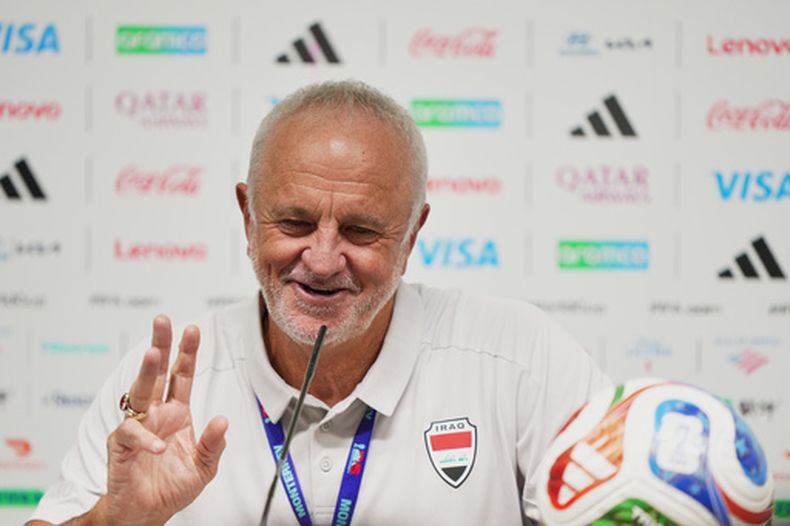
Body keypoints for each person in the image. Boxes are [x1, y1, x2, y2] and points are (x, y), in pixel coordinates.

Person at [27, 80, 609, 526]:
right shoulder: (163, 388)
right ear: (248, 218)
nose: (324, 260)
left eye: (361, 231)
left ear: (411, 237)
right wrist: (115, 520)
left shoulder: (519, 356)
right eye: (295, 222)